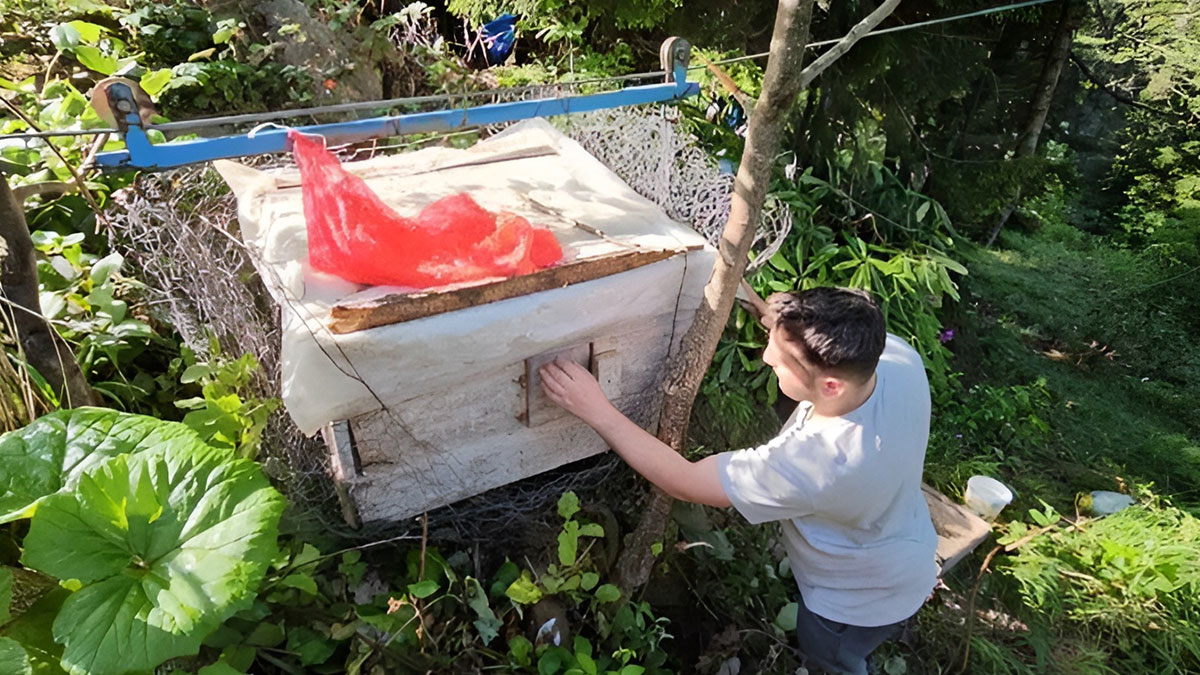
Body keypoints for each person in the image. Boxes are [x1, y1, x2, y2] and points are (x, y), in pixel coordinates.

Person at [539, 286, 938, 675]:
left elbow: (685, 480)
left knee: (831, 657)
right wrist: (775, 317)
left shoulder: (818, 464)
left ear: (830, 387)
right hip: (907, 550)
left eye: (780, 359)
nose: (766, 357)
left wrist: (596, 410)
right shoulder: (896, 361)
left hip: (855, 601)